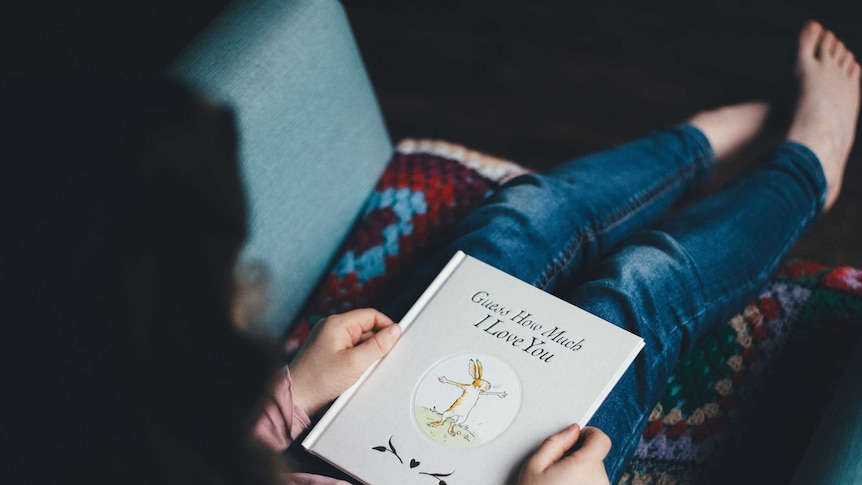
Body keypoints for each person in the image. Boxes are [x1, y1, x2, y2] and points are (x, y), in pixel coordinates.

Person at [1, 20, 857, 485]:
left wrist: (285, 397)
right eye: (229, 285)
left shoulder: (110, 437)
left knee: (516, 216)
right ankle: (804, 172)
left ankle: (694, 149)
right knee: (638, 288)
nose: (249, 296)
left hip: (353, 434)